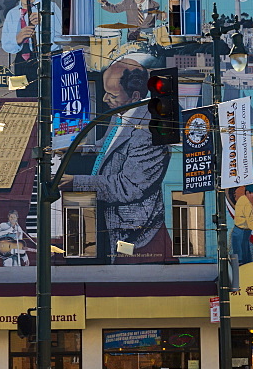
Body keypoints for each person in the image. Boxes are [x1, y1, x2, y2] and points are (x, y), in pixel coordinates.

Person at [61, 58, 172, 263]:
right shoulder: (122, 113)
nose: (104, 99)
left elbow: (127, 186)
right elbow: (106, 146)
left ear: (135, 96)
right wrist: (76, 149)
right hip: (112, 216)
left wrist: (76, 182)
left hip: (136, 236)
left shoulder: (150, 131)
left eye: (112, 95)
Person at [1, 0, 62, 95]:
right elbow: (6, 45)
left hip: (44, 61)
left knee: (46, 96)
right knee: (22, 98)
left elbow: (60, 39)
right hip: (20, 63)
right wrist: (18, 38)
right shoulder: (12, 14)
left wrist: (43, 23)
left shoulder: (50, 7)